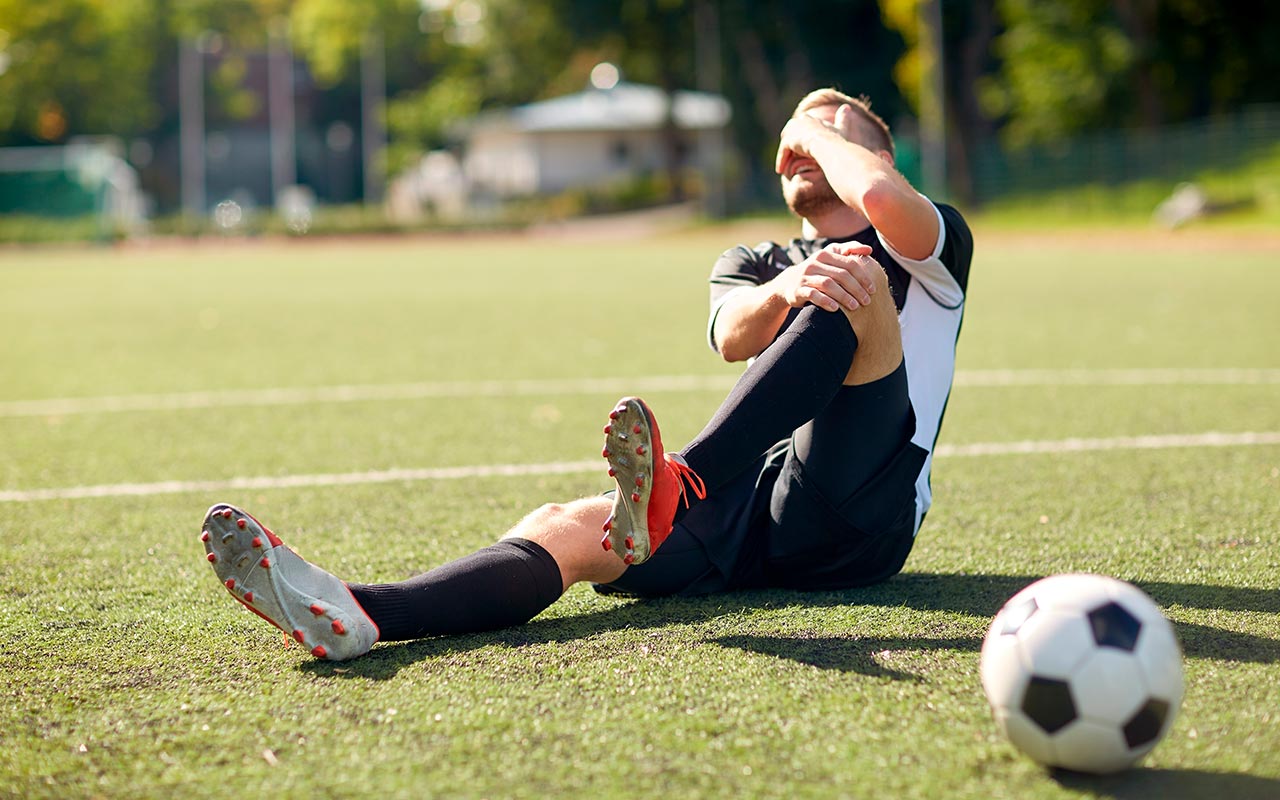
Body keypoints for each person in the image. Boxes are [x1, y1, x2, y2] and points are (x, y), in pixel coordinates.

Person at [200, 88, 973, 661]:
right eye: (793, 141)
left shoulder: (928, 244)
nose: (802, 147)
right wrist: (785, 285)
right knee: (566, 525)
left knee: (853, 278)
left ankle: (681, 481)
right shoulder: (750, 262)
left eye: (827, 135)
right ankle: (358, 612)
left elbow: (873, 194)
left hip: (862, 514)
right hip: (752, 509)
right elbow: (735, 338)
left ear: (879, 155)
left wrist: (812, 125)